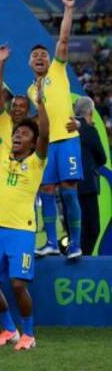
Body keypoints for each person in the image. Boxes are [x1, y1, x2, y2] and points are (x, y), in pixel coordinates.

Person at [0, 72, 49, 351]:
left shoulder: (36, 162)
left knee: (19, 284)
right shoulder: (2, 154)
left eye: (25, 134)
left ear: (33, 143)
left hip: (21, 230)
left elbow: (45, 134)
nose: (19, 135)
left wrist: (41, 102)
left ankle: (28, 334)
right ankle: (9, 329)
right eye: (16, 133)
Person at [31, 0, 84, 258]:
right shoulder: (31, 90)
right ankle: (51, 242)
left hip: (68, 140)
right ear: (30, 63)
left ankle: (75, 244)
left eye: (43, 54)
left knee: (69, 191)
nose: (40, 57)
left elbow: (63, 39)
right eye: (35, 56)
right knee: (46, 190)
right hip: (47, 147)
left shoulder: (57, 70)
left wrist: (69, 9)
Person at [74, 97, 107, 255]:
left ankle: (76, 254)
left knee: (76, 226)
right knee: (92, 227)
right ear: (91, 112)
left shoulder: (68, 127)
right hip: (86, 184)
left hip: (68, 184)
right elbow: (102, 158)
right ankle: (83, 259)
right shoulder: (89, 129)